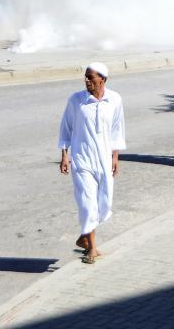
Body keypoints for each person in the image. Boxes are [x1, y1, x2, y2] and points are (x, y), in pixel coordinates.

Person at [58, 62, 125, 265]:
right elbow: (66, 128)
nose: (87, 80)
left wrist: (115, 157)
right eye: (85, 77)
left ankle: (84, 237)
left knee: (103, 203)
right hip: (82, 160)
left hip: (104, 159)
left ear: (103, 79)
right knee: (88, 205)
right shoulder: (76, 101)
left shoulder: (114, 99)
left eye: (91, 77)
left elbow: (117, 129)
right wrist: (64, 155)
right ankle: (92, 249)